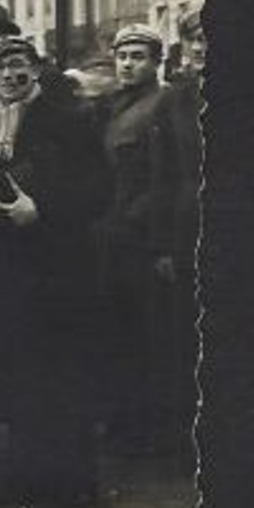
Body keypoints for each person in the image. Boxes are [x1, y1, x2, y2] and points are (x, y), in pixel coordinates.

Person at [0, 36, 112, 508]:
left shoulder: (72, 118)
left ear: (36, 71)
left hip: (60, 266)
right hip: (5, 268)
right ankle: (22, 481)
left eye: (19, 67)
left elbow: (99, 189)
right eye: (1, 69)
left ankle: (79, 486)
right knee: (17, 377)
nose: (10, 76)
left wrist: (40, 209)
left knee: (66, 376)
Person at [91, 22, 173, 455]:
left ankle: (145, 429)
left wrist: (149, 232)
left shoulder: (164, 106)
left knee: (144, 335)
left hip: (138, 236)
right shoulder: (110, 105)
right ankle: (121, 419)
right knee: (113, 331)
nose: (127, 64)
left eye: (138, 56)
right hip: (109, 234)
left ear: (157, 63)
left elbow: (165, 177)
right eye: (122, 56)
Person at [148, 9, 204, 458]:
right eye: (193, 40)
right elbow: (161, 176)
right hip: (186, 226)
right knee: (185, 332)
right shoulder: (175, 101)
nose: (202, 47)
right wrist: (164, 244)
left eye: (209, 38)